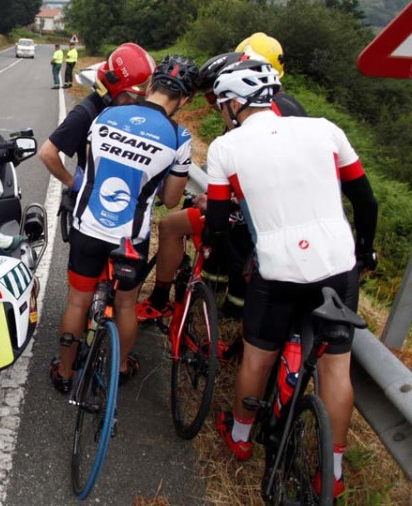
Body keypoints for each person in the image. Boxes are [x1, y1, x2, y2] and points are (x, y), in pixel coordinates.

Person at [206, 60, 378, 499]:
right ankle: (331, 470)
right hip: (337, 265)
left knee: (257, 359)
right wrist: (365, 249)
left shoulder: (226, 148)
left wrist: (236, 259)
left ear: (233, 103)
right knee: (336, 367)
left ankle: (242, 438)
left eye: (222, 105)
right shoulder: (324, 129)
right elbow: (364, 197)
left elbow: (218, 225)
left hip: (279, 269)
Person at [47, 55, 199, 393]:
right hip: (131, 237)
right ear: (185, 99)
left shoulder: (106, 114)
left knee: (76, 302)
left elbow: (89, 163)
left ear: (149, 85)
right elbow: (171, 199)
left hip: (88, 225)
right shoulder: (180, 137)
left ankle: (65, 372)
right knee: (127, 304)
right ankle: (122, 367)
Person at [136, 37, 307, 323]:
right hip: (274, 214)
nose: (217, 106)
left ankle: (162, 300)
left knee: (170, 226)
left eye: (219, 99)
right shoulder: (283, 106)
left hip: (254, 217)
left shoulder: (258, 114)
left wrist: (217, 201)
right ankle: (221, 306)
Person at [39, 43, 156, 197]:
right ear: (115, 87)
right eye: (132, 96)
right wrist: (74, 183)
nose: (135, 103)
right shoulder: (85, 113)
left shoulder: (124, 112)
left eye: (141, 98)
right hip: (88, 205)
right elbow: (47, 153)